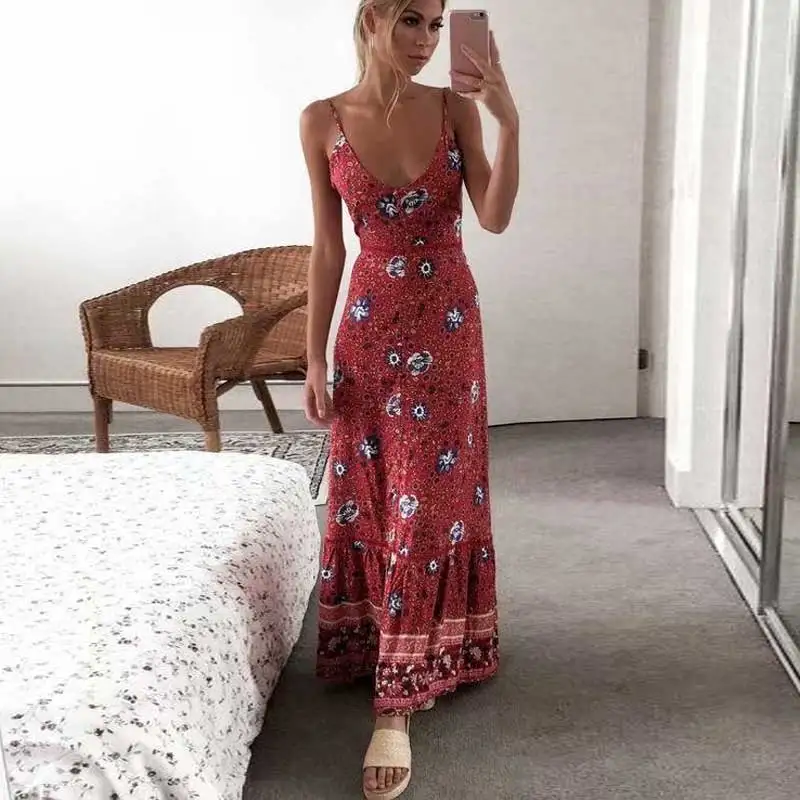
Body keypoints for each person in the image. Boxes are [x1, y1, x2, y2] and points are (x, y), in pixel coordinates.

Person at [300, 0, 519, 796]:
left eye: (435, 23)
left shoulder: (456, 108)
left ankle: (392, 706)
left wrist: (509, 121)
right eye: (412, 22)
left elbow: (492, 217)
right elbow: (329, 247)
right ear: (373, 19)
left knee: (426, 502)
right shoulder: (321, 120)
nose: (427, 39)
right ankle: (382, 641)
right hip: (365, 330)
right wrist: (313, 356)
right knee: (373, 495)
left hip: (448, 328)